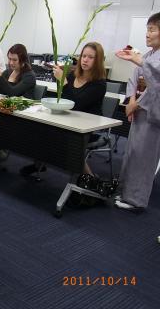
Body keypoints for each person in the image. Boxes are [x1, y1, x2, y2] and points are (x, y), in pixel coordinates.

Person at [20, 42, 107, 176]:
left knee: (68, 144)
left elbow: (77, 103)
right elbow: (64, 97)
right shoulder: (73, 75)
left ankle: (89, 180)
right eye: (84, 56)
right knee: (39, 130)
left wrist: (63, 82)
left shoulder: (99, 84)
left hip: (86, 127)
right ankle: (38, 164)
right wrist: (59, 79)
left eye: (91, 57)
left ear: (98, 60)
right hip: (68, 119)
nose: (85, 60)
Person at [114, 12, 160, 211]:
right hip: (140, 110)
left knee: (144, 156)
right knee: (132, 151)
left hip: (151, 114)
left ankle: (136, 200)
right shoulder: (149, 56)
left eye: (152, 29)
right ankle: (126, 191)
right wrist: (131, 101)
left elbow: (157, 85)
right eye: (147, 29)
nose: (147, 34)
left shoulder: (147, 59)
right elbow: (135, 80)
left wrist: (138, 104)